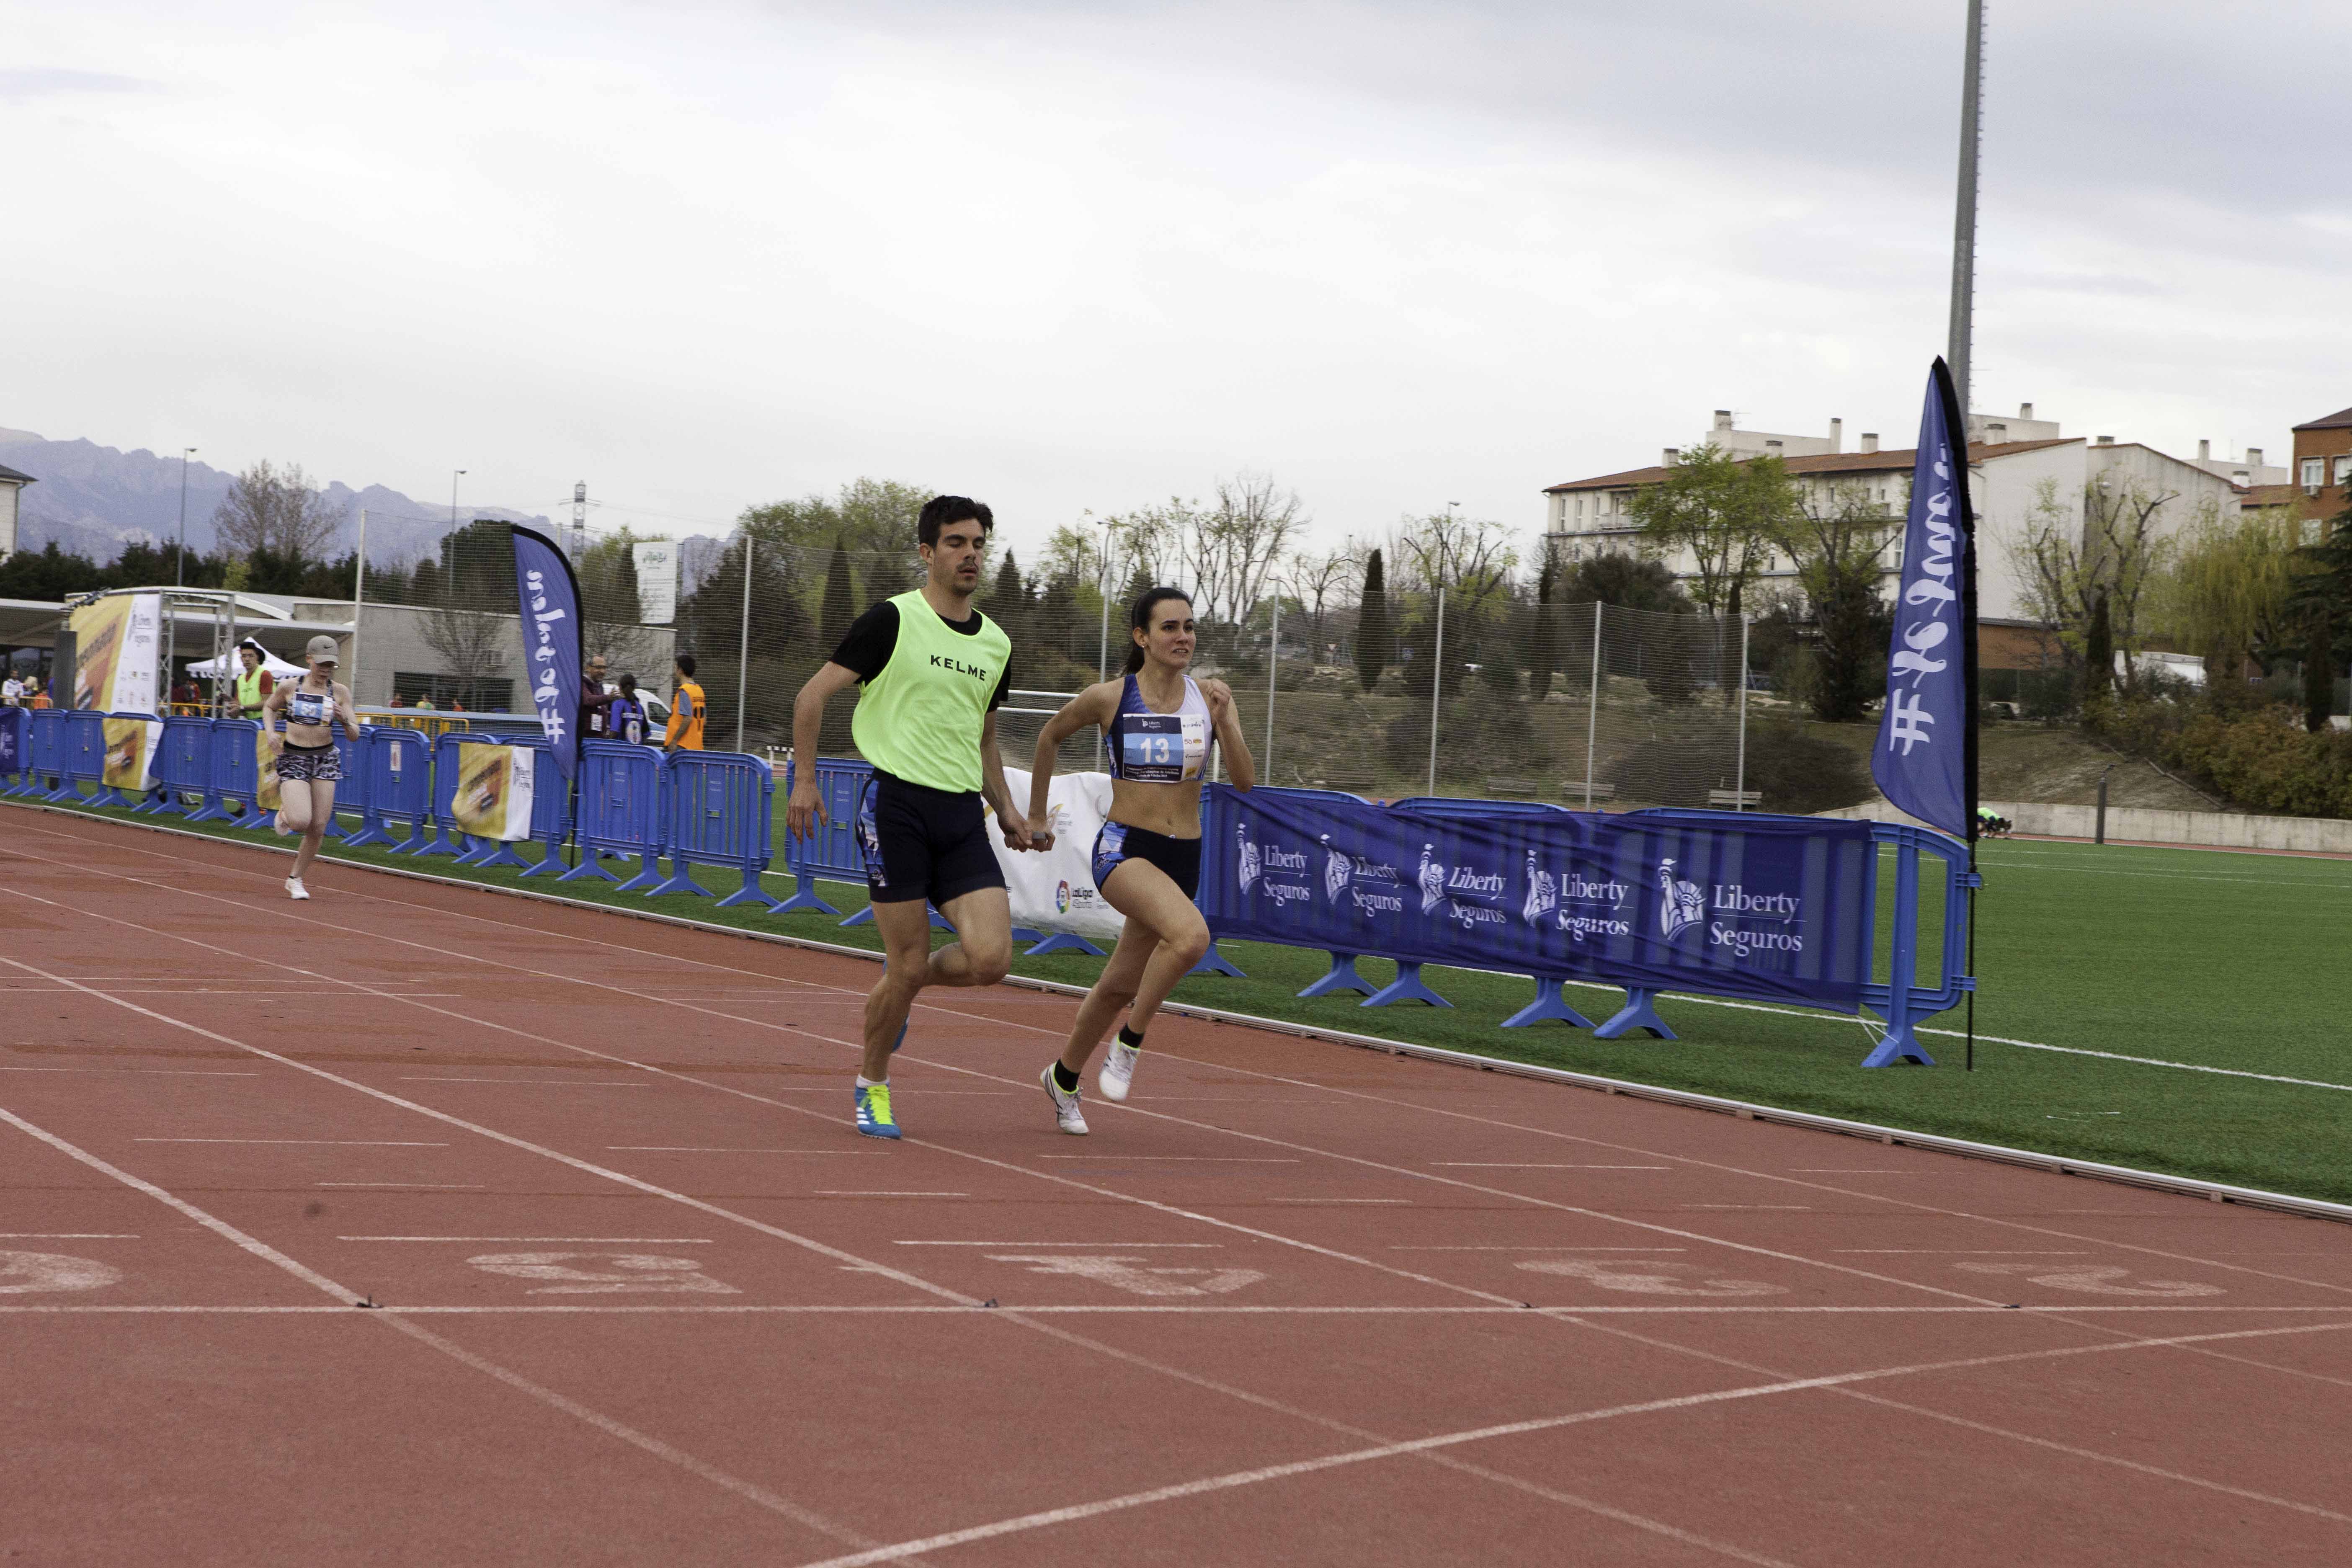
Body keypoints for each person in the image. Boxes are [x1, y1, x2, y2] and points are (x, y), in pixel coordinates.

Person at [787, 495, 1034, 1140]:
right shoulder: (892, 620)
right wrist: (805, 781)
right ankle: (873, 1084)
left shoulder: (997, 643)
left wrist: (1008, 809)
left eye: (978, 544)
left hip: (961, 814)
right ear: (927, 552)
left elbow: (984, 737)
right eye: (956, 543)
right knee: (907, 960)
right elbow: (811, 697)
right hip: (896, 808)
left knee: (991, 960)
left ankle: (902, 986)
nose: (970, 554)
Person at [1024, 587, 1252, 1133]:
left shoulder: (1210, 697)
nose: (1183, 637)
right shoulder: (1110, 698)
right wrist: (1035, 816)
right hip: (1124, 850)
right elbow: (1049, 736)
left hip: (1183, 855)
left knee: (1119, 984)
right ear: (1142, 637)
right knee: (1191, 938)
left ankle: (1063, 1077)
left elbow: (1245, 781)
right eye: (1170, 627)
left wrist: (1226, 722)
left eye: (1189, 627)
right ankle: (1130, 1041)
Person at [260, 635, 362, 901]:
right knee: (300, 822)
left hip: (325, 758)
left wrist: (344, 720)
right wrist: (270, 733)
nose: (326, 670)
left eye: (331, 666)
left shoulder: (340, 692)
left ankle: (295, 879)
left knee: (318, 826)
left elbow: (355, 734)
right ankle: (286, 814)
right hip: (294, 757)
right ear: (309, 659)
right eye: (321, 664)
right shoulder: (290, 687)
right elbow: (270, 707)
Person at [665, 654, 705, 753]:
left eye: (675, 668)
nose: (674, 671)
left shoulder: (684, 691)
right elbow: (704, 720)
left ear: (681, 670)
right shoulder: (699, 691)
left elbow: (688, 718)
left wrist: (675, 740)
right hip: (697, 745)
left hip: (683, 745)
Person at [231, 642, 273, 721]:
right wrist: (233, 706)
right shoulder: (240, 679)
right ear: (241, 659)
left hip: (264, 721)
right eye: (244, 656)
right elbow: (239, 704)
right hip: (248, 722)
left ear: (257, 658)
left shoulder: (265, 674)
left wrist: (242, 708)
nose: (247, 659)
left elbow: (267, 703)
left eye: (251, 656)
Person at [608, 673, 651, 747]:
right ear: (634, 688)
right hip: (637, 751)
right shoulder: (640, 707)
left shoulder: (617, 704)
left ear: (620, 687)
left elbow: (615, 731)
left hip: (621, 750)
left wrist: (608, 745)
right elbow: (646, 734)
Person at [580, 652, 614, 742]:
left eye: (604, 668)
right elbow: (588, 700)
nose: (603, 671)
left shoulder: (599, 686)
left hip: (599, 738)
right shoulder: (581, 683)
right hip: (585, 740)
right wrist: (608, 698)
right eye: (599, 667)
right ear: (588, 668)